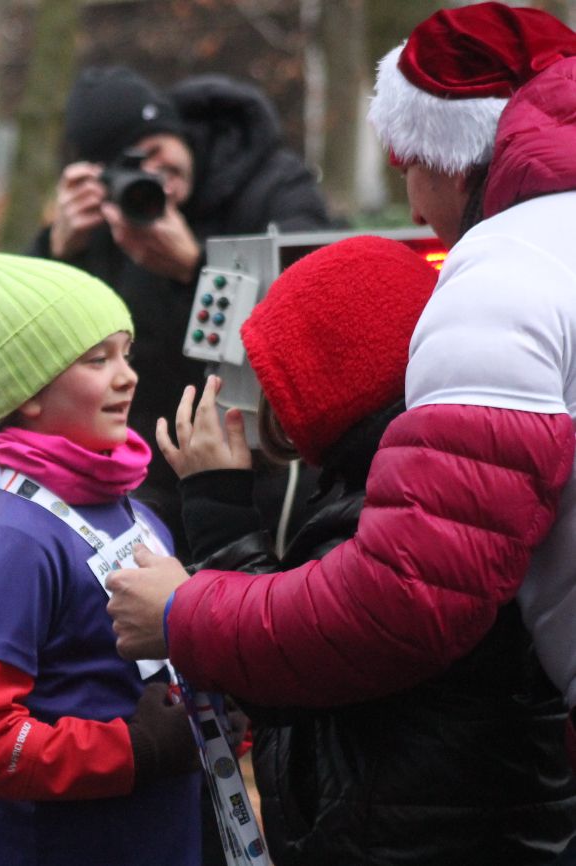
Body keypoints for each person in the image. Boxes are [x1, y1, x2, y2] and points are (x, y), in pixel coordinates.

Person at [105, 0, 576, 825]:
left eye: (408, 162)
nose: (415, 206)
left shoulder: (504, 272)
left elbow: (393, 608)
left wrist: (186, 605)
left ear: (451, 155)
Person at [159, 235, 576, 865]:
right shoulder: (448, 489)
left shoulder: (384, 518)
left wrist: (218, 510)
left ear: (327, 380)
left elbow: (288, 671)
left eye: (275, 375)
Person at [0, 253, 202, 865]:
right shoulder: (13, 541)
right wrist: (133, 750)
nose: (127, 376)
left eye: (126, 353)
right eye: (97, 359)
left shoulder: (138, 512)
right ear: (29, 394)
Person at [28, 65, 331, 545]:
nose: (154, 179)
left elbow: (316, 301)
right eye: (130, 168)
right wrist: (56, 251)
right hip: (151, 480)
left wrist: (196, 265)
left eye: (155, 152)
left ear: (176, 130)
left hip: (267, 469)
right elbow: (40, 349)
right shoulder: (111, 218)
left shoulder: (271, 184)